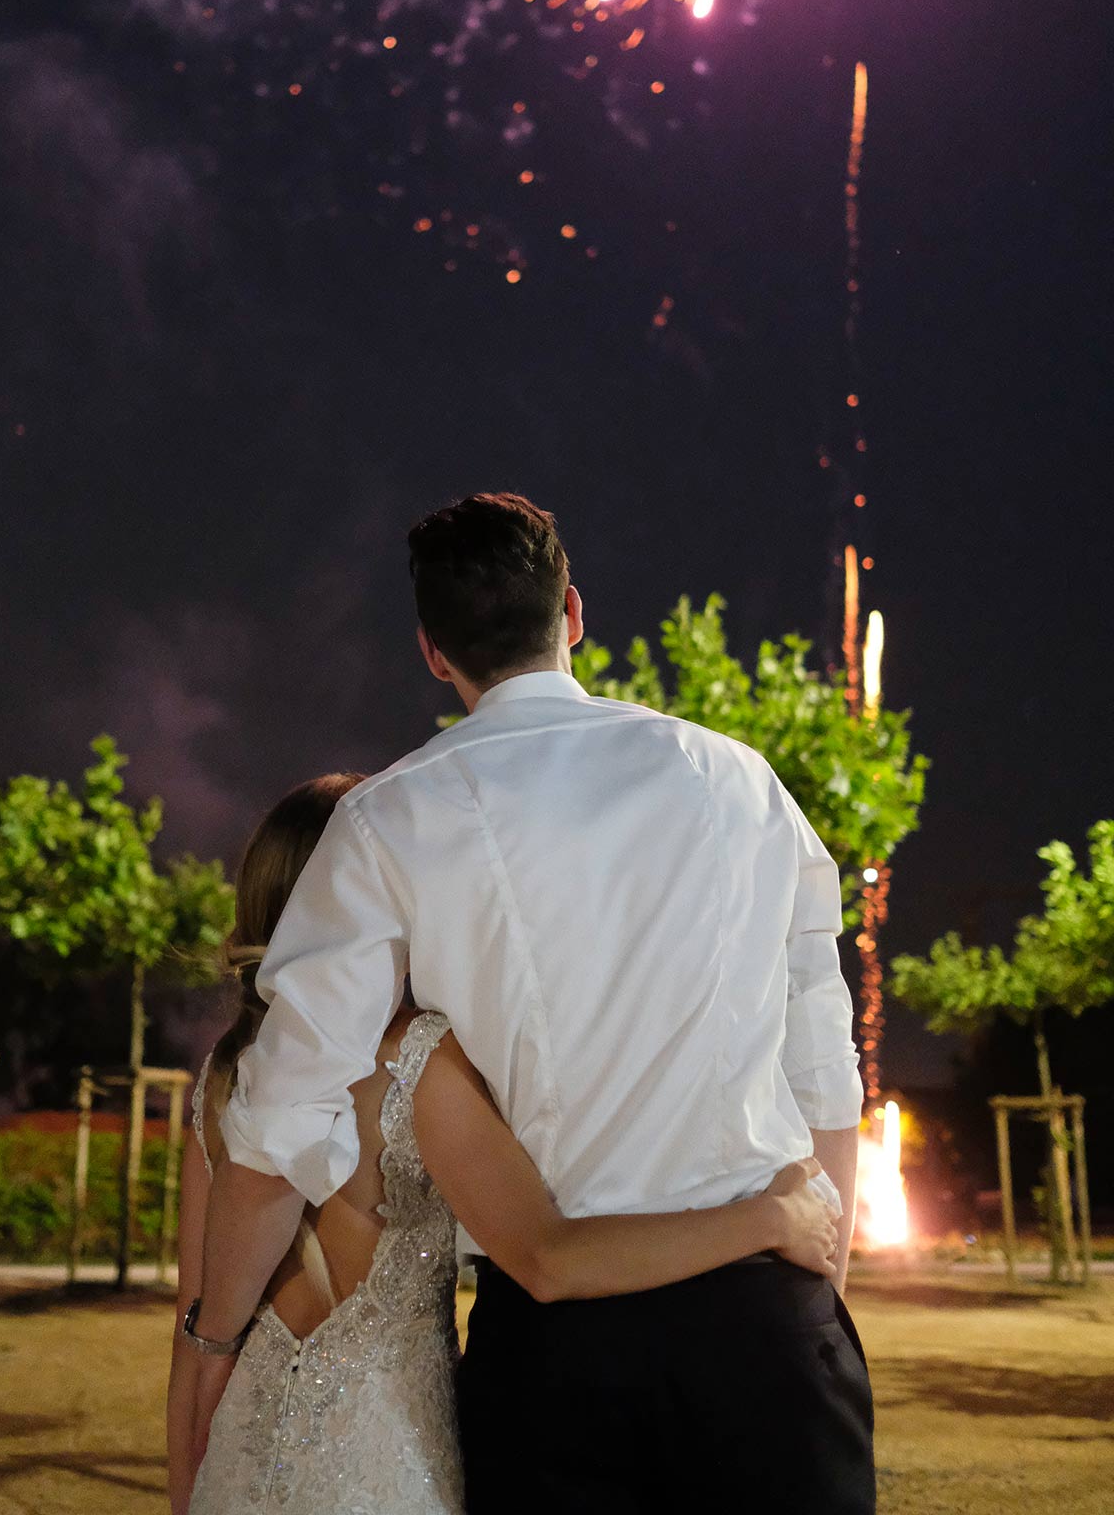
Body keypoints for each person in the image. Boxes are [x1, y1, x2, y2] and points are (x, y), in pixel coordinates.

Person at [184, 493, 875, 1513]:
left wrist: (208, 1336)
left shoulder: (386, 822)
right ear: (574, 614)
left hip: (559, 1356)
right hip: (765, 1318)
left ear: (431, 650)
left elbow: (285, 1117)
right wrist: (817, 1275)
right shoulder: (735, 778)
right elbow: (822, 1064)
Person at [169, 773, 841, 1515]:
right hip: (392, 1473)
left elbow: (193, 1331)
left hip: (239, 1469)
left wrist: (189, 1488)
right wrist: (772, 1220)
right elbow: (549, 1257)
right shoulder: (419, 1063)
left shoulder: (223, 1085)